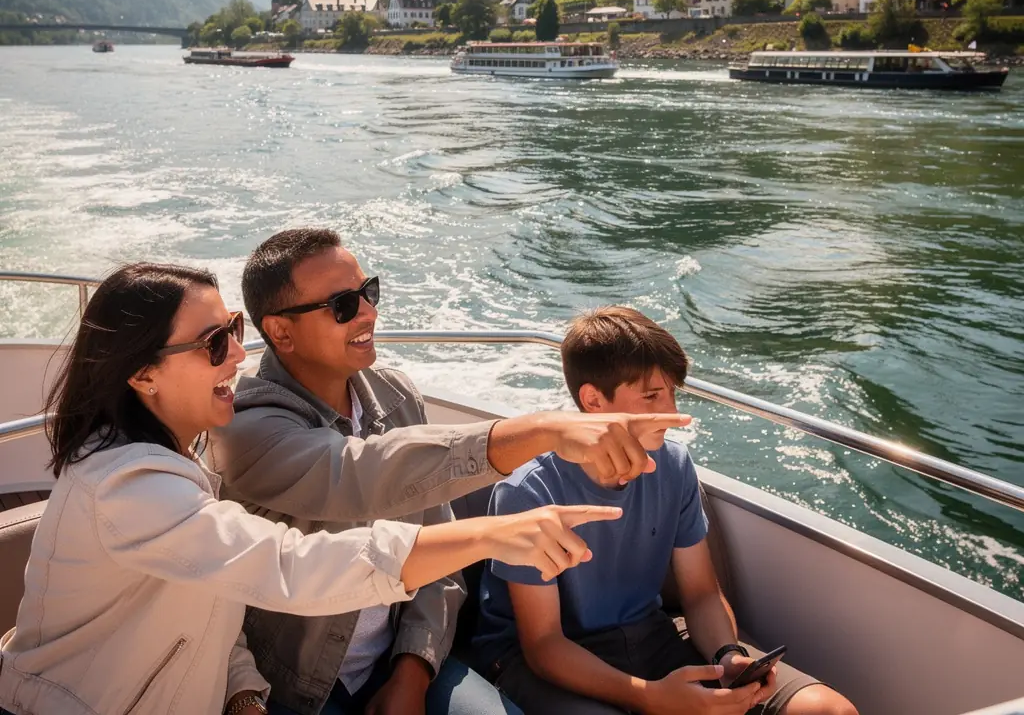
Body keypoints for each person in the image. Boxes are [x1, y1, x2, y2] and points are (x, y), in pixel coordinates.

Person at [0, 263, 629, 715]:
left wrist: (243, 692)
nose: (236, 358)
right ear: (142, 373)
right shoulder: (128, 488)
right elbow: (289, 564)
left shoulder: (184, 456)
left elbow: (212, 606)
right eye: (215, 343)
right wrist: (494, 531)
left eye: (235, 331)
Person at [208, 229, 688, 715]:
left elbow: (440, 556)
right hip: (294, 681)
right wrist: (545, 432)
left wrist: (413, 671)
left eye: (368, 292)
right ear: (281, 331)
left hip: (398, 655)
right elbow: (364, 475)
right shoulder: (247, 426)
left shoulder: (395, 397)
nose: (369, 312)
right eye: (343, 305)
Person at [474, 306, 860, 715]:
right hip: (550, 662)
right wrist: (651, 697)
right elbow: (543, 645)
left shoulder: (674, 466)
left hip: (651, 636)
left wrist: (726, 659)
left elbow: (700, 593)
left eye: (673, 391)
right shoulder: (527, 491)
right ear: (593, 400)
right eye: (653, 396)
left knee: (829, 711)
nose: (674, 413)